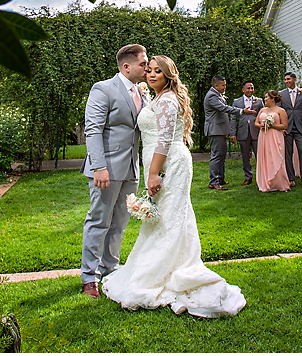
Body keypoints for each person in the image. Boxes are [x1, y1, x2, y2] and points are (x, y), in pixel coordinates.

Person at [102, 56, 246, 317]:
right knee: (167, 218)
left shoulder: (167, 99)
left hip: (169, 164)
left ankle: (164, 272)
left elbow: (165, 140)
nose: (152, 75)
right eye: (150, 71)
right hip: (159, 162)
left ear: (169, 75)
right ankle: (164, 266)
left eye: (159, 71)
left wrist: (154, 173)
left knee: (169, 219)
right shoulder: (156, 98)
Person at [81, 44, 149, 298]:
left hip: (132, 169)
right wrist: (99, 167)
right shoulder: (103, 89)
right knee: (99, 220)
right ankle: (89, 277)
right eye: (143, 64)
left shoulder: (141, 93)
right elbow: (93, 129)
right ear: (126, 66)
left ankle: (110, 268)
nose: (147, 68)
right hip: (106, 169)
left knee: (120, 222)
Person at [204, 76, 255, 190]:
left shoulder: (218, 95)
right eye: (223, 85)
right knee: (216, 155)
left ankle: (220, 178)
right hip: (214, 130)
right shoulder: (212, 96)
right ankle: (213, 181)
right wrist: (241, 111)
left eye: (225, 85)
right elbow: (224, 108)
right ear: (216, 86)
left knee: (222, 155)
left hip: (220, 130)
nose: (224, 87)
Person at [279, 72, 302, 188]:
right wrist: (281, 127)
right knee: (288, 154)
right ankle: (291, 178)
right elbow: (279, 112)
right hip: (287, 128)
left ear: (294, 79)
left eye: (288, 79)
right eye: (285, 79)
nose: (286, 81)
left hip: (300, 127)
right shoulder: (281, 94)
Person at [254, 90, 291, 192]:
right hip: (264, 136)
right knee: (265, 157)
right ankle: (266, 181)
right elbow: (256, 123)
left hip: (275, 136)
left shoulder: (280, 111)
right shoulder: (262, 110)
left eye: (266, 97)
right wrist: (261, 125)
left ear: (272, 98)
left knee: (276, 157)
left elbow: (284, 125)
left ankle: (278, 182)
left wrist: (272, 126)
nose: (264, 99)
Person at [229, 81, 263, 186]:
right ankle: (248, 177)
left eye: (252, 88)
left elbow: (263, 115)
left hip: (256, 132)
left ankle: (261, 177)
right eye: (248, 88)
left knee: (260, 155)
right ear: (243, 89)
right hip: (243, 132)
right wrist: (232, 133)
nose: (250, 90)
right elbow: (233, 118)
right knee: (245, 156)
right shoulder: (237, 102)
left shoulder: (259, 101)